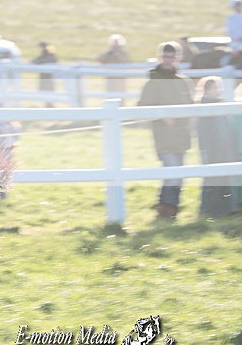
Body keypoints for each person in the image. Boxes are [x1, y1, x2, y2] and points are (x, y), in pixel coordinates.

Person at [137, 41, 193, 221]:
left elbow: (190, 105)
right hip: (163, 134)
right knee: (172, 170)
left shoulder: (183, 82)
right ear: (160, 57)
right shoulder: (153, 82)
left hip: (181, 134)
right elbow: (143, 106)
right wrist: (162, 115)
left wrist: (192, 117)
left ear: (177, 58)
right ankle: (165, 208)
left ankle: (170, 207)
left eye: (172, 56)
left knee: (178, 173)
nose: (168, 60)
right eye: (165, 56)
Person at [194, 76, 237, 217]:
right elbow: (204, 132)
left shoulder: (221, 105)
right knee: (212, 179)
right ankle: (208, 210)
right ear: (207, 91)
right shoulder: (205, 107)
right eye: (215, 88)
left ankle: (225, 209)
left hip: (224, 148)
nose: (218, 91)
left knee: (225, 178)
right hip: (213, 149)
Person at [98, 34, 131, 100]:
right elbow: (100, 59)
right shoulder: (108, 54)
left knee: (121, 92)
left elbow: (127, 61)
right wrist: (109, 54)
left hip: (120, 77)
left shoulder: (123, 54)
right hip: (110, 76)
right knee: (110, 92)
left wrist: (118, 55)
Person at [31, 42, 57, 106]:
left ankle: (49, 104)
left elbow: (37, 61)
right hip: (45, 76)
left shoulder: (49, 55)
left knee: (48, 90)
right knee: (46, 91)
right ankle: (48, 104)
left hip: (48, 76)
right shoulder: (46, 55)